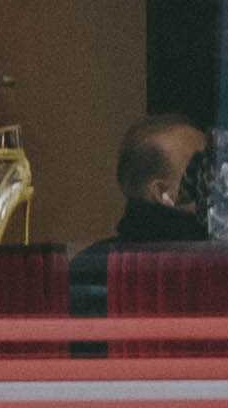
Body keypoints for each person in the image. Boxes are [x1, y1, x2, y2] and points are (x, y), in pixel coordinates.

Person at [65, 113, 214, 315]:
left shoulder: (90, 267)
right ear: (164, 193)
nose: (218, 178)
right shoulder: (95, 274)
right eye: (201, 168)